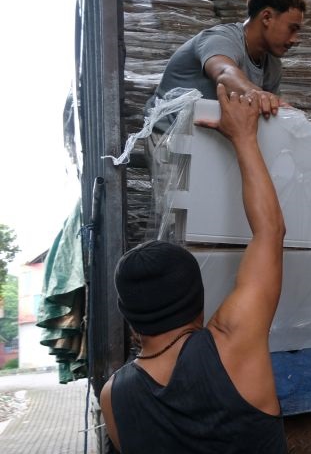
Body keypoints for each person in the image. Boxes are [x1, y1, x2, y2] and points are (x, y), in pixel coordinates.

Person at [100, 83, 287, 453]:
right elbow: (270, 232)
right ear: (200, 299)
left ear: (132, 321)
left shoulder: (113, 397)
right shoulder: (233, 343)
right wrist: (244, 137)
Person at [150, 0, 306, 130]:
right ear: (266, 17)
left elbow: (269, 114)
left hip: (207, 137)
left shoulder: (272, 65)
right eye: (292, 28)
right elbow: (224, 73)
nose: (295, 39)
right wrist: (255, 94)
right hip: (168, 137)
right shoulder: (220, 39)